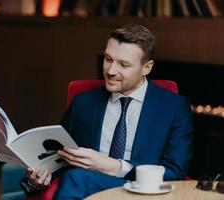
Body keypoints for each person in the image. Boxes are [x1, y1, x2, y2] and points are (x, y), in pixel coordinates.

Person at [24, 23, 194, 199]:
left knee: (76, 179)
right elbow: (58, 158)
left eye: (123, 64)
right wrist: (35, 180)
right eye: (108, 59)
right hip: (87, 190)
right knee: (74, 178)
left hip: (140, 191)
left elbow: (175, 172)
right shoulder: (84, 103)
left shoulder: (174, 107)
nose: (111, 71)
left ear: (147, 67)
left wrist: (113, 166)